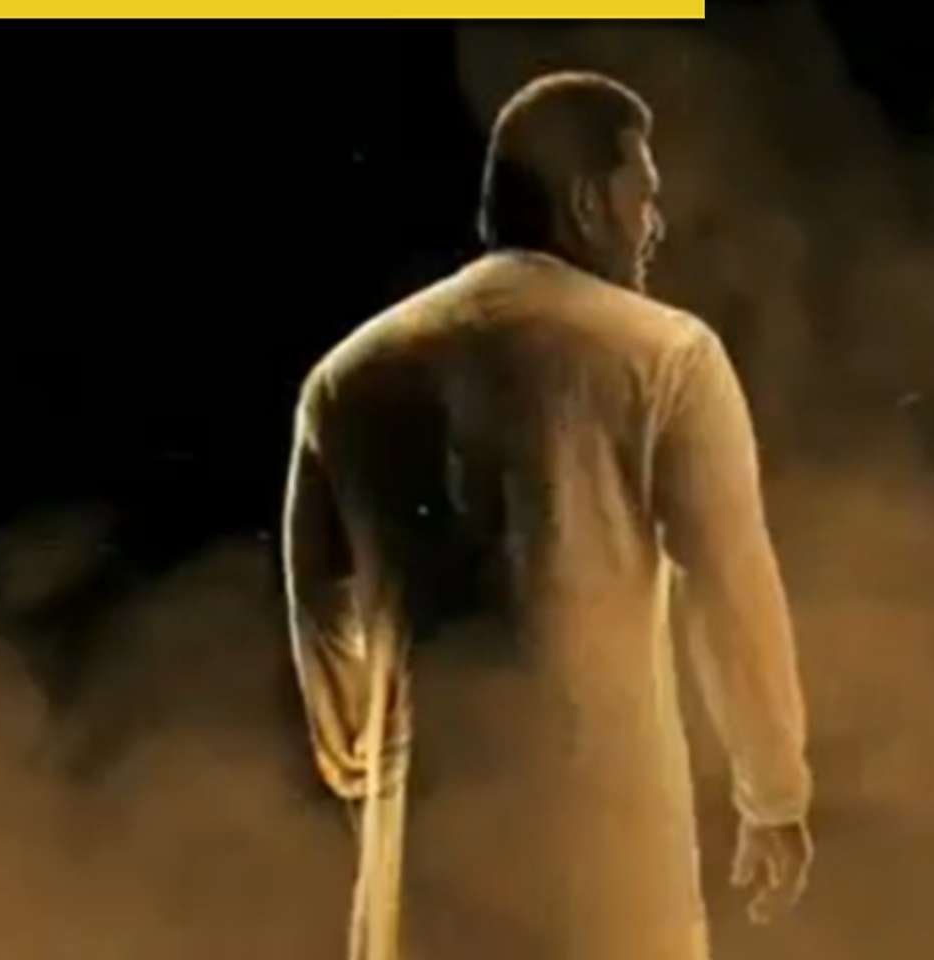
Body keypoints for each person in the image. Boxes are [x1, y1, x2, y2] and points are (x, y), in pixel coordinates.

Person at [282, 70, 813, 960]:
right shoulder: (668, 357)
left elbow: (320, 600)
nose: (654, 224)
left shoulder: (347, 378)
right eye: (643, 194)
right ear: (588, 201)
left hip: (431, 857)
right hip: (607, 859)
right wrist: (773, 793)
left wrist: (357, 762)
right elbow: (732, 587)